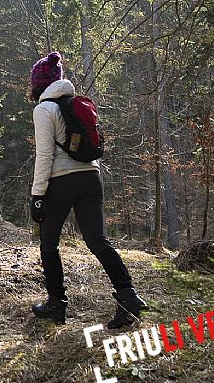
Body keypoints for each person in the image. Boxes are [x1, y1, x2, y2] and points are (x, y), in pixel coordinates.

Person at [27, 52, 146, 329]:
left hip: (62, 181)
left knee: (49, 243)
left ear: (39, 84)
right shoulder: (76, 104)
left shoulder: (44, 110)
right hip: (92, 177)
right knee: (97, 240)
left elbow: (45, 155)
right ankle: (128, 296)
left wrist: (37, 195)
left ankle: (57, 304)